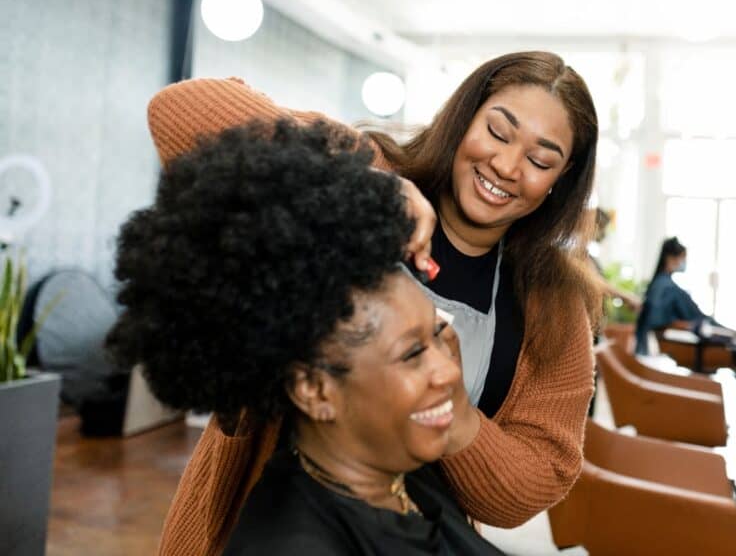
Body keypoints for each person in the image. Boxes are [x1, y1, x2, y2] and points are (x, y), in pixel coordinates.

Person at [145, 51, 603, 555]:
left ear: (562, 179)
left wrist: (452, 414)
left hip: (416, 530)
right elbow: (178, 110)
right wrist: (357, 189)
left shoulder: (553, 301)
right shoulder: (366, 168)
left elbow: (533, 483)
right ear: (464, 118)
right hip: (271, 513)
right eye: (497, 131)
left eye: (541, 160)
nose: (507, 165)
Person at [108, 121, 504, 554]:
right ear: (314, 389)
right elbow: (178, 109)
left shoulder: (396, 474)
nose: (449, 371)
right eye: (413, 354)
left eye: (437, 334)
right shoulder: (295, 544)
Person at [635, 237, 736, 431]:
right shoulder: (665, 286)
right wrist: (699, 328)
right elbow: (664, 322)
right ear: (672, 257)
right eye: (683, 258)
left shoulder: (664, 284)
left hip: (697, 331)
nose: (684, 263)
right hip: (691, 343)